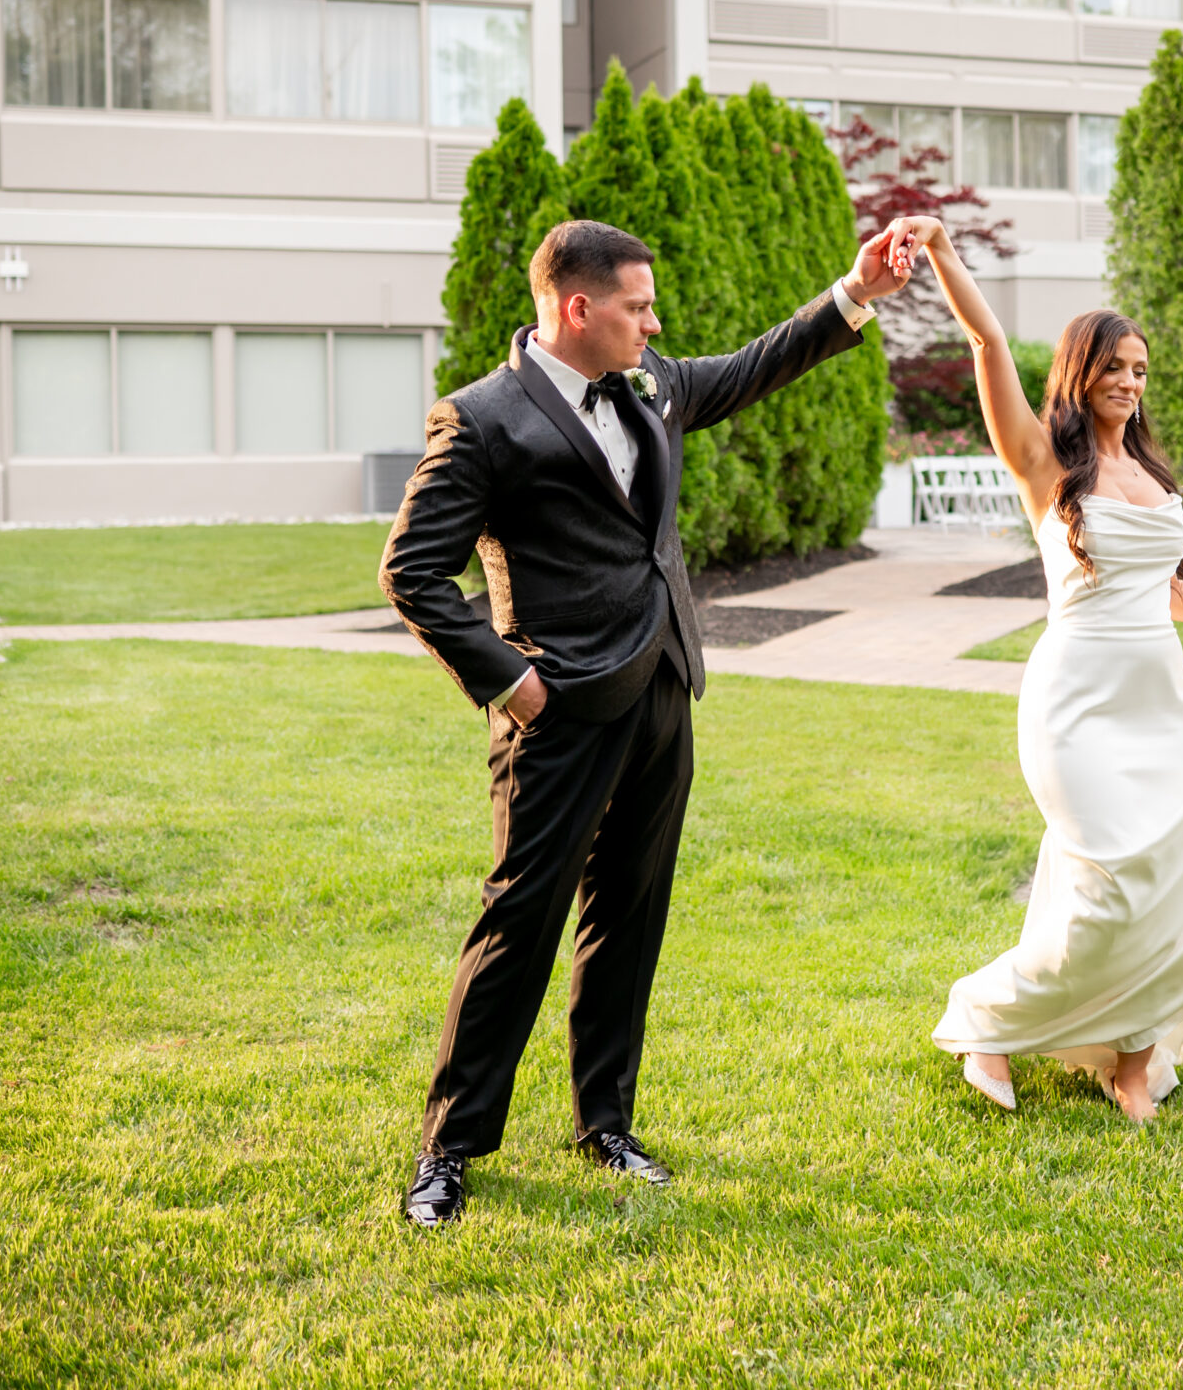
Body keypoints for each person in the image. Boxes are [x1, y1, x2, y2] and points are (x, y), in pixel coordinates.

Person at [380, 216, 914, 1223]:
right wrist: (509, 679)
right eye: (636, 305)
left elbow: (752, 366)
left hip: (662, 690)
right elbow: (411, 570)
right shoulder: (481, 419)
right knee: (519, 921)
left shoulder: (652, 384)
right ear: (576, 308)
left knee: (629, 915)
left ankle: (605, 1124)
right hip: (558, 708)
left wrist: (853, 294)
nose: (653, 320)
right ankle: (448, 1149)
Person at [895, 215, 1183, 1124]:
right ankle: (989, 1019)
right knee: (1110, 886)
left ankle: (1132, 1062)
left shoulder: (1150, 473)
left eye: (1140, 371)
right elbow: (988, 340)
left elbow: (1167, 590)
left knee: (1171, 880)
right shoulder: (1045, 465)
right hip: (1075, 707)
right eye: (1114, 368)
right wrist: (944, 254)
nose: (1130, 383)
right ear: (1082, 371)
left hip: (1155, 704)